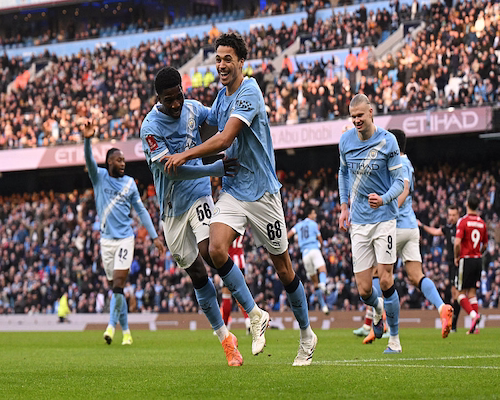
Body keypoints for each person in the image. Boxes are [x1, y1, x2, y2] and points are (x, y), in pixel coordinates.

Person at [164, 33, 317, 366]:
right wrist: (164, 107)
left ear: (240, 61)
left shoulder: (249, 91)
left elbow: (224, 138)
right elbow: (197, 118)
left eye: (227, 59)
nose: (221, 65)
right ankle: (255, 314)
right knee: (215, 249)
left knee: (284, 269)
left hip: (262, 192)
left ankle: (306, 335)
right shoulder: (220, 98)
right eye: (217, 59)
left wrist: (185, 156)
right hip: (233, 189)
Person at [140, 66, 243, 366]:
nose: (175, 104)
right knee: (198, 274)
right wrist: (214, 168)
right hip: (172, 210)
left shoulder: (192, 109)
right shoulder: (150, 128)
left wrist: (238, 112)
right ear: (158, 98)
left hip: (199, 195)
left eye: (179, 97)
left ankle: (251, 310)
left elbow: (220, 119)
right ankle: (225, 338)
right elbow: (174, 172)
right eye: (168, 99)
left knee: (210, 250)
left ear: (184, 90)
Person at [83, 120, 165, 346]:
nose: (123, 163)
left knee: (119, 283)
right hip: (106, 241)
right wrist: (88, 139)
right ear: (109, 162)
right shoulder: (99, 177)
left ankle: (110, 326)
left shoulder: (129, 184)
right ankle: (126, 330)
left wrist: (154, 236)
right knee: (116, 290)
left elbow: (141, 211)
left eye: (124, 160)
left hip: (125, 240)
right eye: (119, 160)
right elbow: (89, 161)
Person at [338, 93, 404, 354]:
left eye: (360, 116)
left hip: (384, 218)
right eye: (353, 117)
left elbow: (399, 182)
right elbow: (343, 173)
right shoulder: (345, 141)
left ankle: (395, 340)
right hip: (359, 222)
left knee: (386, 280)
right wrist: (344, 206)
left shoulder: (388, 141)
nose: (356, 121)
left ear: (371, 112)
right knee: (365, 288)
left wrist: (385, 198)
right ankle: (377, 310)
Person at [390, 129, 453, 338]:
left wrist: (388, 210)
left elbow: (405, 189)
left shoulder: (400, 162)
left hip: (396, 226)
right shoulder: (407, 163)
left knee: (377, 275)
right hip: (410, 226)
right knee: (417, 276)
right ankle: (441, 307)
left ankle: (379, 324)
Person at [418, 205, 461, 331]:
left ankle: (455, 324)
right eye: (450, 215)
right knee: (454, 294)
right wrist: (422, 226)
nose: (452, 217)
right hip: (452, 265)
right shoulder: (447, 228)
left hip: (460, 263)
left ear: (458, 215)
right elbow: (436, 231)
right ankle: (455, 324)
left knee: (457, 294)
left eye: (454, 215)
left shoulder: (461, 227)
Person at [454, 194, 488, 335]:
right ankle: (475, 327)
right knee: (472, 292)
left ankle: (474, 316)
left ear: (467, 204)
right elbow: (485, 244)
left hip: (466, 259)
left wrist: (457, 257)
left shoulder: (463, 221)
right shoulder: (482, 223)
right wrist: (478, 252)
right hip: (478, 259)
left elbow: (457, 243)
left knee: (459, 293)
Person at [287, 206, 329, 315]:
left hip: (304, 255)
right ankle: (324, 284)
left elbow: (289, 235)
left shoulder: (299, 225)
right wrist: (321, 244)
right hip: (314, 250)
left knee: (315, 282)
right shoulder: (314, 224)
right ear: (309, 214)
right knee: (322, 269)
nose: (315, 216)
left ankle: (323, 305)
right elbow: (320, 238)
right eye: (314, 213)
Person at [221, 235, 251, 334]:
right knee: (240, 294)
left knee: (226, 296)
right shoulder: (240, 225)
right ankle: (248, 321)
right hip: (241, 262)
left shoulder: (227, 226)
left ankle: (224, 326)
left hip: (229, 262)